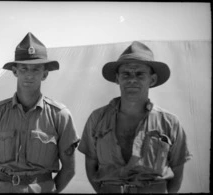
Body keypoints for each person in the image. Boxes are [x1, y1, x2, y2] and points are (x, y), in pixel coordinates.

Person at [78, 41, 192, 193]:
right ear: (117, 78)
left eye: (140, 74)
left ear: (152, 80)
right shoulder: (97, 118)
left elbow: (178, 169)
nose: (132, 79)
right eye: (126, 74)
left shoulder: (169, 122)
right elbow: (91, 163)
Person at [0, 32, 80, 193]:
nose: (29, 74)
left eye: (35, 69)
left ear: (45, 74)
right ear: (15, 71)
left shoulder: (60, 115)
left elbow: (69, 169)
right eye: (24, 68)